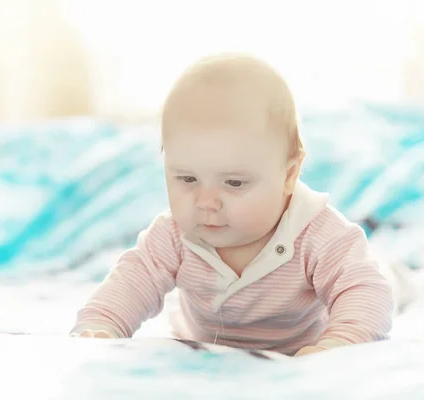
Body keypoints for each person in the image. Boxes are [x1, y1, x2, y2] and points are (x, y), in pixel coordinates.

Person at [70, 53, 395, 357]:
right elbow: (130, 283)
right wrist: (101, 327)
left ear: (289, 174)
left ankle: (398, 274)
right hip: (205, 356)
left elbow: (364, 292)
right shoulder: (172, 236)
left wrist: (337, 345)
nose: (206, 202)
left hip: (299, 356)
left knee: (380, 278)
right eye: (186, 179)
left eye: (234, 183)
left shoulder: (319, 234)